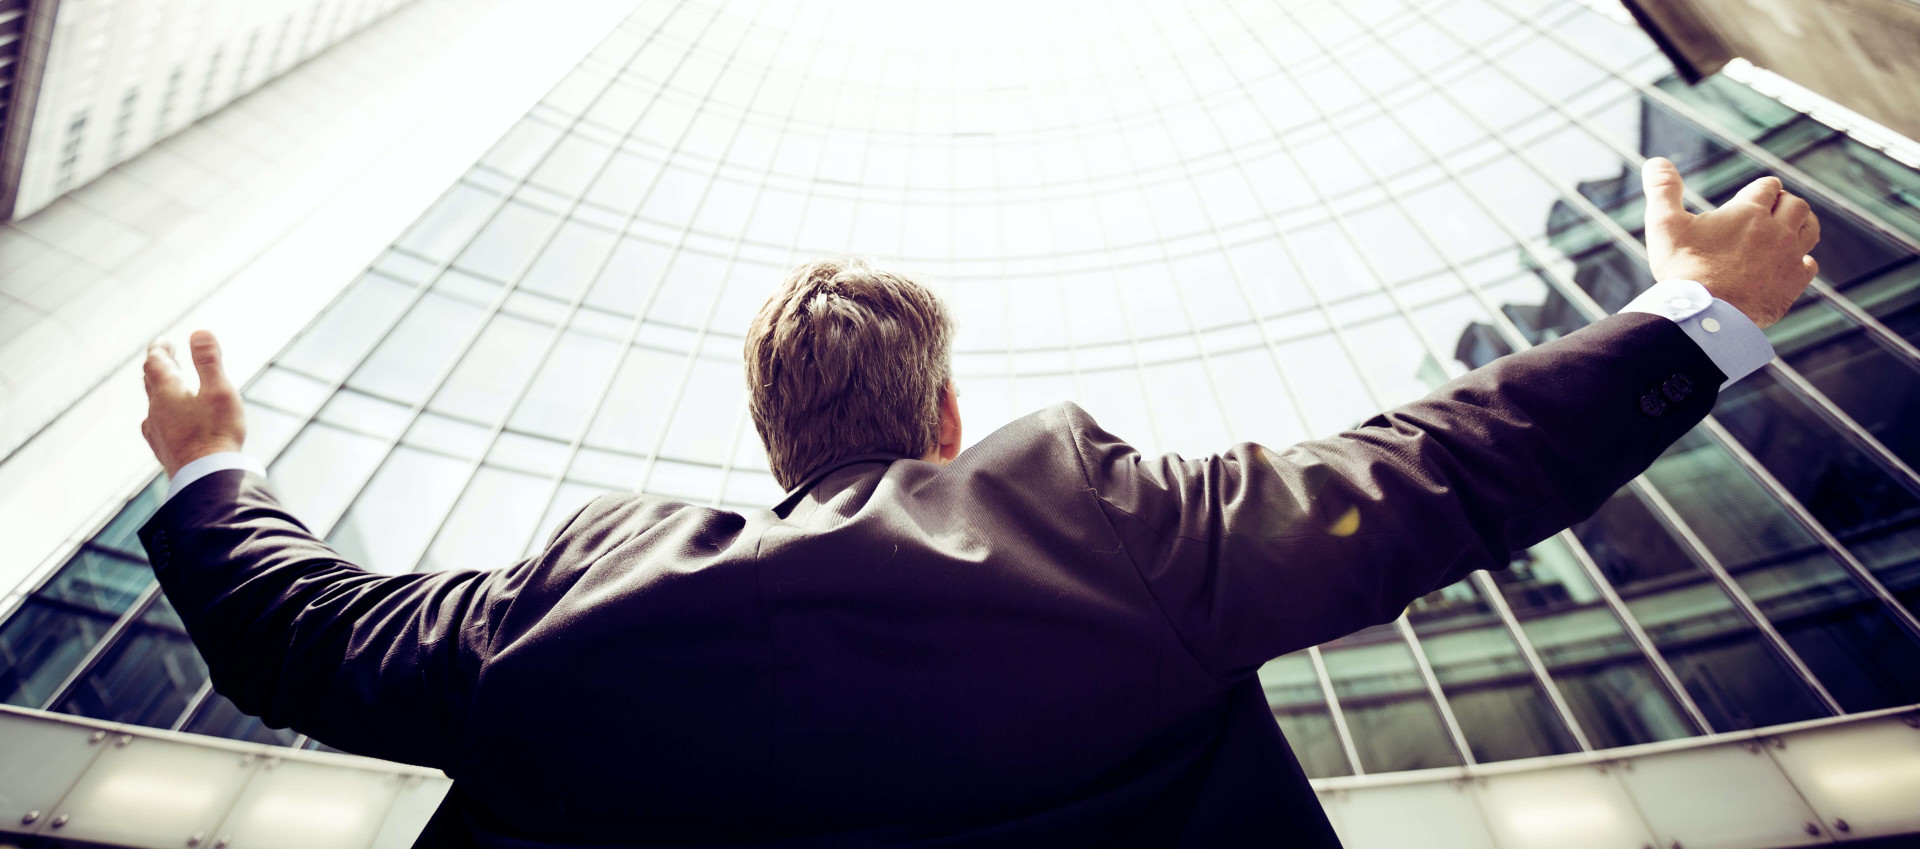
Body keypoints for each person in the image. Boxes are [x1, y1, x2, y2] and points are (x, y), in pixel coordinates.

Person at [137, 159, 1817, 847]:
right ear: (946, 416)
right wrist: (1691, 316)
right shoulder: (1092, 521)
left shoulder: (565, 611)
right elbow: (1426, 473)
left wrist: (216, 461)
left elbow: (299, 634)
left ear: (773, 441)